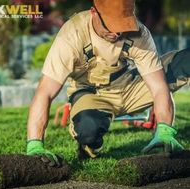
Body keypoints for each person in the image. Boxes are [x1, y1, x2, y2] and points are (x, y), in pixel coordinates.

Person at [26, 0, 190, 164]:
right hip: (91, 93)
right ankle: (90, 146)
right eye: (111, 25)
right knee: (88, 130)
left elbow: (159, 87)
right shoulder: (72, 34)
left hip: (128, 86)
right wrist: (35, 144)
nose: (117, 32)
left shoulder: (140, 34)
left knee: (186, 61)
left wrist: (164, 131)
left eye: (122, 24)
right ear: (94, 13)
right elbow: (45, 92)